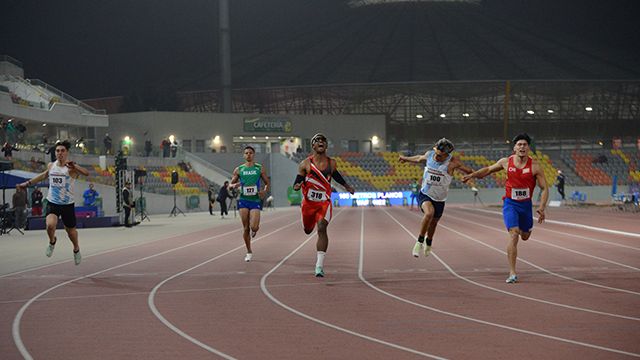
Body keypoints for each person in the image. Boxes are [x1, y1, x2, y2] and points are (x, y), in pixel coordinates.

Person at [463, 133, 549, 284]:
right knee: (514, 234)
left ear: (528, 148)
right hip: (510, 203)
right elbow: (488, 170)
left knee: (525, 236)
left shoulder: (535, 166)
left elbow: (545, 188)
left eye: (525, 145)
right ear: (514, 147)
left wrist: (541, 207)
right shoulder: (506, 162)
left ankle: (524, 230)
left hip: (526, 206)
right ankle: (512, 272)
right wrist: (473, 175)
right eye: (519, 144)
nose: (522, 147)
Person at [17, 140, 90, 265]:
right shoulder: (51, 165)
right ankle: (52, 241)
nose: (60, 153)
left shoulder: (71, 168)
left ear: (67, 153)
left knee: (71, 233)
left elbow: (86, 173)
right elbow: (43, 176)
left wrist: (75, 166)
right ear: (55, 153)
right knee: (50, 225)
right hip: (53, 202)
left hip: (67, 204)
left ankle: (76, 249)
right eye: (57, 151)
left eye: (62, 151)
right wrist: (27, 184)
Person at [399, 138, 473, 258]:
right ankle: (419, 242)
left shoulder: (453, 162)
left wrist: (472, 176)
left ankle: (429, 242)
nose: (437, 157)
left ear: (447, 154)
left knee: (433, 224)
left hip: (440, 199)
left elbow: (468, 171)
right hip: (425, 194)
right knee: (429, 214)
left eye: (440, 156)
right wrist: (405, 158)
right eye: (436, 153)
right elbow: (418, 158)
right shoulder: (430, 155)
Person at [293, 133, 355, 277]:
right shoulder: (305, 164)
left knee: (322, 228)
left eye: (323, 140)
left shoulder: (332, 163)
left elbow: (336, 175)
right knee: (308, 230)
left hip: (324, 203)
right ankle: (307, 225)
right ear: (313, 145)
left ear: (326, 145)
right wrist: (297, 185)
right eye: (317, 140)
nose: (320, 142)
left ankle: (319, 266)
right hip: (308, 204)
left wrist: (347, 186)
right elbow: (298, 179)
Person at [230, 146, 271, 262]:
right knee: (246, 228)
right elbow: (230, 185)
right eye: (246, 153)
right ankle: (249, 251)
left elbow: (267, 183)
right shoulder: (239, 169)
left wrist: (264, 191)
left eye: (251, 153)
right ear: (244, 155)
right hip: (243, 200)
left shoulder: (259, 168)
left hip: (255, 201)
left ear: (254, 155)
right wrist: (235, 185)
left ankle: (255, 230)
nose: (248, 155)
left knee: (254, 227)